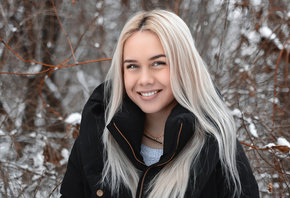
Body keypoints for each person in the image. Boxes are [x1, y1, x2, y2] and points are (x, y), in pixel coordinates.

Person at [60, 10, 259, 198]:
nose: (144, 79)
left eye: (158, 63)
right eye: (132, 66)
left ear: (184, 65)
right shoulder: (96, 133)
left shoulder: (216, 144)